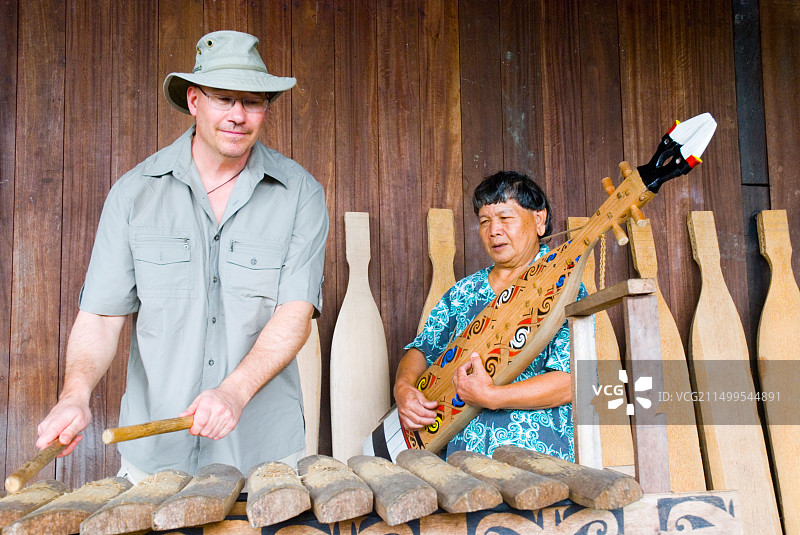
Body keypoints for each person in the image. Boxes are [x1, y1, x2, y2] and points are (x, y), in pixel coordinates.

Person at [36, 30, 328, 480]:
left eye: (253, 101)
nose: (238, 115)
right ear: (194, 100)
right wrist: (74, 394)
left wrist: (232, 392)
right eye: (223, 98)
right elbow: (100, 316)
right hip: (153, 454)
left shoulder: (300, 194)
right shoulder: (133, 194)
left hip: (260, 456)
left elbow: (295, 313)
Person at [394, 171, 586, 461]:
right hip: (461, 461)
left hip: (535, 457)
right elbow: (422, 349)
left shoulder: (563, 286)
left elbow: (570, 382)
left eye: (505, 218)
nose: (493, 230)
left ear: (539, 220)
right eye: (484, 222)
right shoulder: (463, 292)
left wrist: (493, 397)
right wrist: (403, 388)